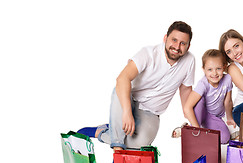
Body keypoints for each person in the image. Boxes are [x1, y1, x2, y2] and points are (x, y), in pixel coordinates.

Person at [78, 21, 195, 151]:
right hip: (128, 100)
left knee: (141, 143)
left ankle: (104, 132)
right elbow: (122, 78)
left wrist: (192, 122)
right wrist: (127, 112)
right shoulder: (148, 53)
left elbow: (186, 93)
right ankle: (118, 149)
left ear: (188, 46)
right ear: (165, 38)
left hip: (151, 112)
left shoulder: (189, 61)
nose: (177, 47)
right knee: (119, 90)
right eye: (174, 40)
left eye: (182, 43)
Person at [173, 49, 235, 144]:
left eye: (218, 68)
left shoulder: (227, 79)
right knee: (199, 100)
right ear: (204, 70)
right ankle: (191, 129)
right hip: (201, 112)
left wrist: (230, 118)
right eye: (210, 69)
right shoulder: (203, 84)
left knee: (225, 138)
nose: (214, 73)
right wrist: (197, 129)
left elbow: (228, 101)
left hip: (214, 117)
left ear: (224, 67)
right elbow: (187, 107)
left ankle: (197, 129)